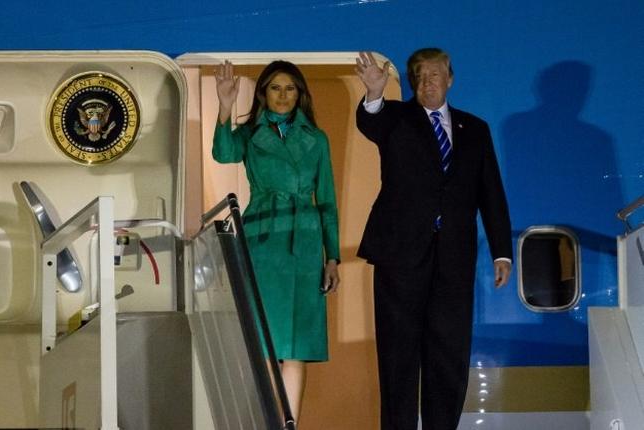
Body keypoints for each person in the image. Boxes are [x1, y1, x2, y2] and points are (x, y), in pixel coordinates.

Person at [353, 49, 513, 430]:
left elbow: (490, 192)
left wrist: (502, 252)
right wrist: (374, 93)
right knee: (398, 357)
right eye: (420, 77)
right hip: (400, 257)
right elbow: (369, 121)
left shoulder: (475, 129)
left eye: (436, 75)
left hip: (454, 259)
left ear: (450, 79)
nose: (428, 82)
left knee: (449, 355)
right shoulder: (395, 118)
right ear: (412, 82)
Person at [213, 59, 341, 423]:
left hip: (303, 245)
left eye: (290, 88)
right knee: (267, 345)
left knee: (295, 347)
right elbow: (223, 153)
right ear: (263, 94)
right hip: (262, 243)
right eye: (275, 88)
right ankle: (265, 420)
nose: (283, 95)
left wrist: (332, 257)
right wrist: (225, 106)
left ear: (300, 94)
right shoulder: (251, 135)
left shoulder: (316, 139)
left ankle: (289, 424)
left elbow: (327, 200)